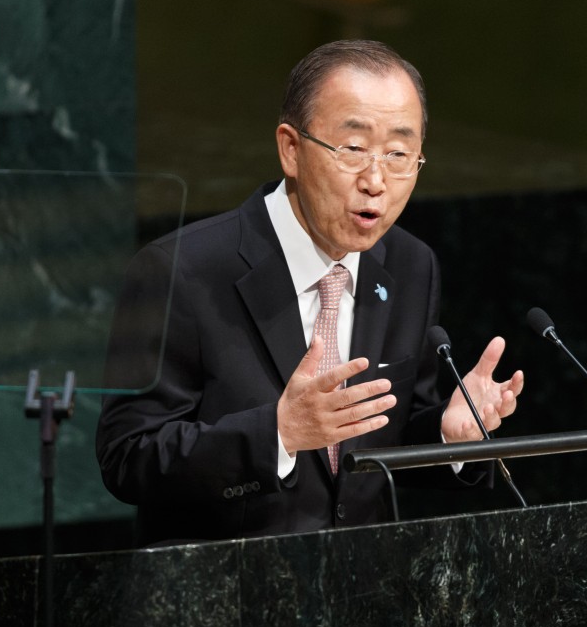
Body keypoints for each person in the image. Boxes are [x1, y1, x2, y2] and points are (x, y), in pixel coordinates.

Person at [96, 40, 524, 545]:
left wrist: (448, 436)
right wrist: (278, 434)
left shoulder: (410, 265)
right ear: (291, 149)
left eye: (399, 155)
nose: (375, 181)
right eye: (354, 149)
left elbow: (386, 439)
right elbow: (129, 458)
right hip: (225, 599)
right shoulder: (181, 271)